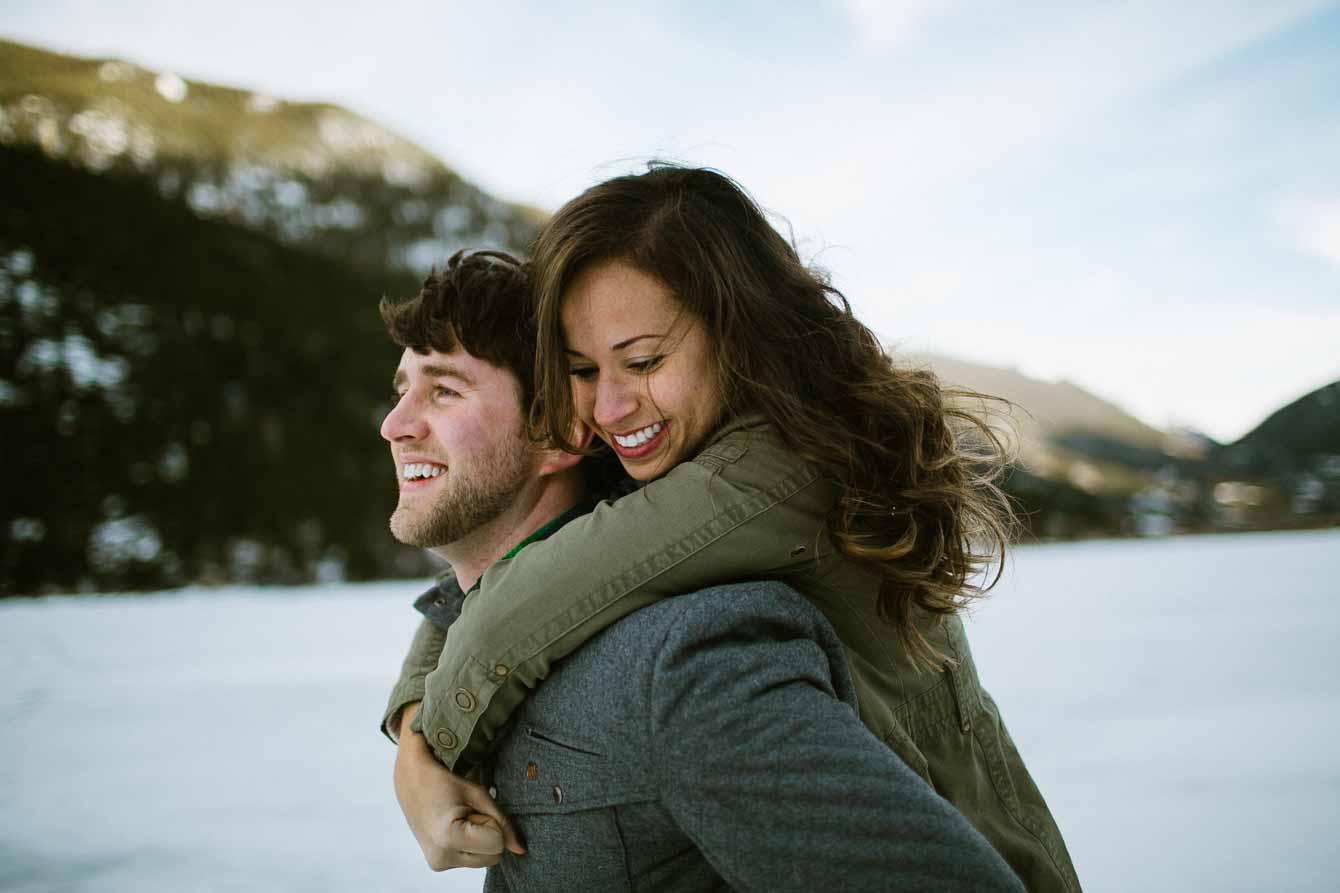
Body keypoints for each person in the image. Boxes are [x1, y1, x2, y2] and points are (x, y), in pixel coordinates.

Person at [405, 166, 1081, 891]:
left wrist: (427, 745)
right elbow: (520, 572)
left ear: (739, 332)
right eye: (581, 369)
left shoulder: (779, 469)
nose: (607, 408)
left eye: (643, 360)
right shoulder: (674, 453)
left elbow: (536, 594)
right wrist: (414, 713)